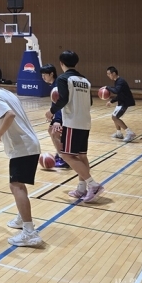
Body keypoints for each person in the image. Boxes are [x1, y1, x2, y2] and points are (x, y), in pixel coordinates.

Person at [0, 64, 44, 247]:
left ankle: (29, 232)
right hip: (29, 143)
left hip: (22, 146)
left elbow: (9, 116)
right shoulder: (8, 93)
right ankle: (22, 218)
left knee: (16, 186)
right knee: (19, 184)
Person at [45, 50, 104, 202]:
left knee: (66, 155)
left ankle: (93, 185)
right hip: (85, 121)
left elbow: (63, 99)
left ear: (61, 63)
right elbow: (90, 102)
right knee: (82, 156)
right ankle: (81, 188)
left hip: (72, 122)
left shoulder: (63, 79)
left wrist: (51, 111)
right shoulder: (85, 80)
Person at [40, 64, 68, 168]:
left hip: (64, 115)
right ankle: (60, 153)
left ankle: (63, 158)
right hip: (61, 114)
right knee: (51, 131)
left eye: (45, 75)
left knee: (55, 132)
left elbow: (60, 103)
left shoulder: (57, 85)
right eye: (42, 75)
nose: (43, 77)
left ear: (51, 74)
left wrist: (57, 120)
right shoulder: (54, 84)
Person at [105, 66, 136, 142]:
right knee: (114, 116)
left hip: (126, 103)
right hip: (121, 102)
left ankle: (130, 133)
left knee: (115, 117)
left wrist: (107, 87)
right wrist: (111, 101)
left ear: (114, 73)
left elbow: (116, 91)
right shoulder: (117, 81)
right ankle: (119, 133)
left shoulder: (120, 81)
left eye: (109, 74)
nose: (108, 75)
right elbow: (119, 94)